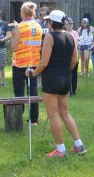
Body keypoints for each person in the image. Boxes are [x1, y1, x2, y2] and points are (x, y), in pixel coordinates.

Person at [26, 10, 86, 157]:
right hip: (66, 78)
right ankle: (79, 145)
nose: (47, 23)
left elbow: (44, 62)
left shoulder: (49, 37)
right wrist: (65, 71)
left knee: (53, 115)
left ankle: (60, 150)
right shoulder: (71, 36)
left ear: (52, 23)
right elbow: (75, 60)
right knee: (64, 113)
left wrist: (33, 73)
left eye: (48, 21)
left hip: (52, 79)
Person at [11, 2, 42, 125]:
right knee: (33, 91)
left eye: (20, 11)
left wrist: (12, 34)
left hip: (20, 63)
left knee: (19, 91)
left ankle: (18, 117)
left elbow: (14, 47)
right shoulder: (38, 26)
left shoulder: (19, 27)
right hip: (34, 62)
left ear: (23, 13)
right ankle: (34, 119)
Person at [65, 16, 79, 95]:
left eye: (71, 24)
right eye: (68, 24)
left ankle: (73, 90)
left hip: (74, 55)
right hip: (65, 56)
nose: (70, 26)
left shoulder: (75, 33)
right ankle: (66, 89)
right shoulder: (63, 32)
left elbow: (76, 44)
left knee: (74, 73)